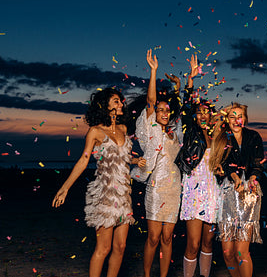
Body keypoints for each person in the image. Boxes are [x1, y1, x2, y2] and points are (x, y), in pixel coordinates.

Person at [52, 87, 146, 277]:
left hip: (124, 194)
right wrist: (64, 188)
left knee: (120, 247)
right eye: (116, 101)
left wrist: (135, 160)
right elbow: (84, 159)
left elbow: (122, 156)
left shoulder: (123, 128)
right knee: (103, 248)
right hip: (106, 193)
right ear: (105, 105)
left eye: (121, 101)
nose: (121, 104)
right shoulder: (95, 132)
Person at [131, 49, 182, 277]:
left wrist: (179, 89)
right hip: (155, 187)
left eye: (166, 110)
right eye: (159, 110)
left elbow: (181, 109)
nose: (163, 112)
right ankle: (147, 274)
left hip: (173, 187)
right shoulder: (151, 128)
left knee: (167, 237)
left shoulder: (175, 133)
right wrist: (154, 71)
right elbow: (151, 101)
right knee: (152, 237)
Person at [174, 54, 220, 277]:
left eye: (206, 111)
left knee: (208, 243)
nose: (202, 114)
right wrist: (191, 79)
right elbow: (186, 105)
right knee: (192, 244)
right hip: (193, 191)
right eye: (199, 111)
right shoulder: (190, 132)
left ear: (212, 116)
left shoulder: (218, 138)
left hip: (213, 192)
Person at [209, 103, 265, 277]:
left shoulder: (254, 136)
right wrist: (233, 178)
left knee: (241, 251)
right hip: (227, 193)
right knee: (228, 253)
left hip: (249, 193)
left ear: (245, 119)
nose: (236, 120)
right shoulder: (222, 138)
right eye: (232, 116)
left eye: (239, 116)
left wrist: (253, 180)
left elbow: (258, 164)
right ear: (227, 118)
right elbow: (224, 165)